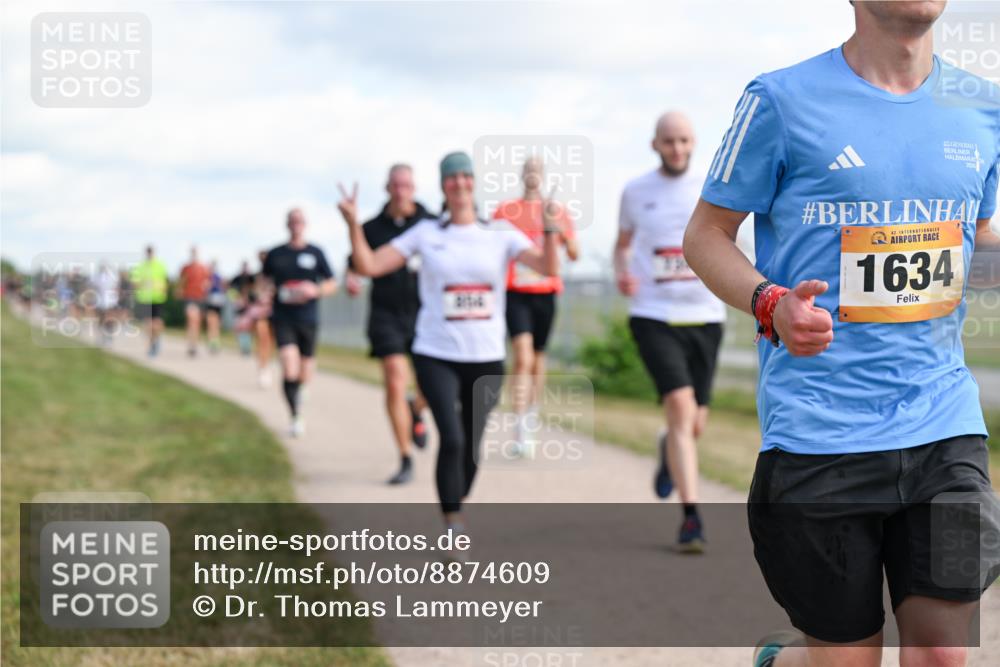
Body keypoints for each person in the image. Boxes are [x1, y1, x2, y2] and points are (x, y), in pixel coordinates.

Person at [683, 1, 999, 664]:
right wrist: (770, 303)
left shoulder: (984, 106)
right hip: (821, 432)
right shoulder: (780, 100)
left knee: (943, 655)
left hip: (943, 419)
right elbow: (706, 234)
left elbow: (978, 241)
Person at [338, 151, 559, 540]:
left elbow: (547, 268)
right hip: (436, 352)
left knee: (472, 446)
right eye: (451, 177)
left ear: (473, 183)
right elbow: (370, 265)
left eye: (465, 176)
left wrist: (552, 231)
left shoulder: (500, 232)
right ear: (443, 186)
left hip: (487, 356)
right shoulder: (426, 233)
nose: (459, 183)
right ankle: (452, 520)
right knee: (452, 438)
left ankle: (454, 498)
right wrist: (353, 224)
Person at [614, 111, 726, 553]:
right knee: (680, 409)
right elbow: (622, 247)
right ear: (655, 144)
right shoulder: (635, 191)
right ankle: (691, 519)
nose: (677, 149)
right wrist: (622, 272)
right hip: (653, 315)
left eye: (684, 141)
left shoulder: (711, 188)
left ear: (693, 142)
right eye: (669, 142)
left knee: (693, 423)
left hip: (705, 316)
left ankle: (668, 452)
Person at [345, 164, 432, 485]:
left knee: (430, 387)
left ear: (414, 187)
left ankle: (418, 410)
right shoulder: (371, 228)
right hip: (386, 314)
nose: (401, 191)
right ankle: (405, 456)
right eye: (395, 185)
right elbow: (354, 264)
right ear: (387, 188)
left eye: (406, 185)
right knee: (396, 379)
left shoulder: (432, 224)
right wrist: (352, 278)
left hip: (426, 315)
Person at [493, 157, 579, 457]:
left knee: (538, 360)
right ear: (521, 174)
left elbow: (574, 252)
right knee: (522, 357)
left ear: (542, 176)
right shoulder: (505, 212)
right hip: (516, 292)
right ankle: (518, 427)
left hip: (546, 292)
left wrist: (558, 231)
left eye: (537, 170)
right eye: (527, 168)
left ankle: (530, 419)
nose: (532, 174)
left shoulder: (556, 209)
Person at [262, 208, 337, 437]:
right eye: (292, 221)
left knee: (305, 371)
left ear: (305, 224)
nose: (296, 225)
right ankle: (295, 415)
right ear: (287, 224)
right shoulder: (276, 254)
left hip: (308, 318)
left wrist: (315, 290)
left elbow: (332, 283)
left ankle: (302, 389)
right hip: (283, 317)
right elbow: (264, 282)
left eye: (300, 221)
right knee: (288, 364)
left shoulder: (316, 253)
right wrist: (267, 294)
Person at [130, 245, 169, 357]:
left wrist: (163, 290)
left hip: (158, 298)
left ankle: (156, 339)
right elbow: (135, 282)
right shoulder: (141, 267)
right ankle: (152, 344)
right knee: (148, 324)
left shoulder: (160, 265)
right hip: (145, 298)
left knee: (157, 323)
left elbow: (165, 280)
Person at [176, 246, 210, 357]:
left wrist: (206, 288)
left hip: (200, 297)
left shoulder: (204, 268)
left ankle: (194, 344)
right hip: (189, 296)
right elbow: (182, 281)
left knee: (196, 322)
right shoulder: (186, 267)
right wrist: (179, 290)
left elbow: (207, 282)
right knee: (192, 319)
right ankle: (191, 344)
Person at [231, 260, 257, 356]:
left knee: (248, 329)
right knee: (240, 329)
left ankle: (247, 347)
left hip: (249, 310)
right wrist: (237, 299)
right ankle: (244, 347)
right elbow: (231, 291)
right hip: (239, 308)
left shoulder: (252, 278)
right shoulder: (236, 279)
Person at [92, 261, 120, 346]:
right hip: (101, 302)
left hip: (110, 302)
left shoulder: (112, 278)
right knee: (101, 319)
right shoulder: (97, 278)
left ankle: (109, 337)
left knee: (109, 319)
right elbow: (94, 288)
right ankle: (103, 336)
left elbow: (116, 288)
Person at [203, 260, 225, 354]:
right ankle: (214, 342)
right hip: (216, 300)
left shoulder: (211, 277)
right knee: (214, 323)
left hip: (214, 301)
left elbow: (206, 288)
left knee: (212, 322)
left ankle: (213, 342)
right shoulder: (217, 277)